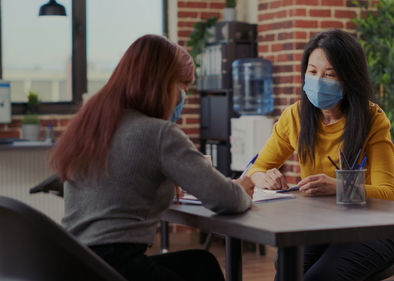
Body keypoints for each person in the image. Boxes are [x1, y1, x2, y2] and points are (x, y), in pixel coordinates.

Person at [50, 34, 255, 281]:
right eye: (183, 86)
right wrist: (241, 188)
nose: (183, 96)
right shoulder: (159, 133)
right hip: (116, 265)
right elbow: (226, 200)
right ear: (162, 83)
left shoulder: (94, 124)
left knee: (201, 264)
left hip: (74, 262)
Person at [247, 29, 394, 280]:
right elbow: (255, 168)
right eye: (312, 71)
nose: (319, 80)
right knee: (286, 269)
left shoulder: (373, 119)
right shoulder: (294, 117)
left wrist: (339, 186)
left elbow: (388, 193)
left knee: (321, 277)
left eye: (330, 74)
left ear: (349, 78)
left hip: (374, 227)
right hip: (320, 225)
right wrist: (260, 177)